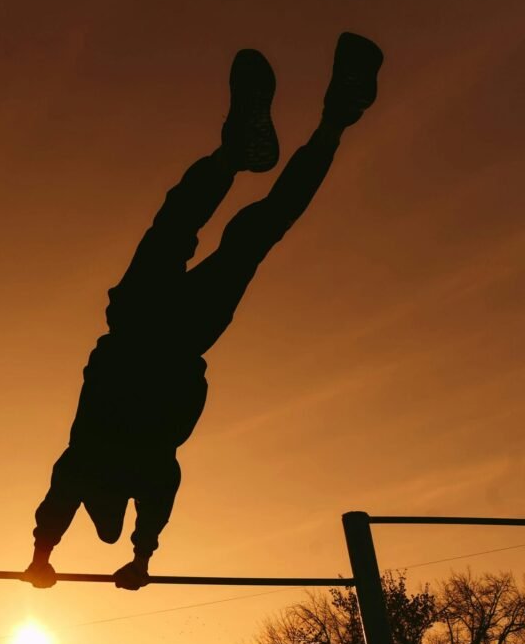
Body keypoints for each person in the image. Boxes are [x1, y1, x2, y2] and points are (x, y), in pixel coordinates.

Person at [23, 33, 383, 591]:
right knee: (226, 230)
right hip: (160, 334)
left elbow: (68, 501)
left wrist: (56, 557)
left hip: (155, 332)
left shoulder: (103, 464)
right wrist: (103, 557)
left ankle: (285, 138)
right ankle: (297, 133)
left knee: (244, 230)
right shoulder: (118, 465)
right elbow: (82, 500)